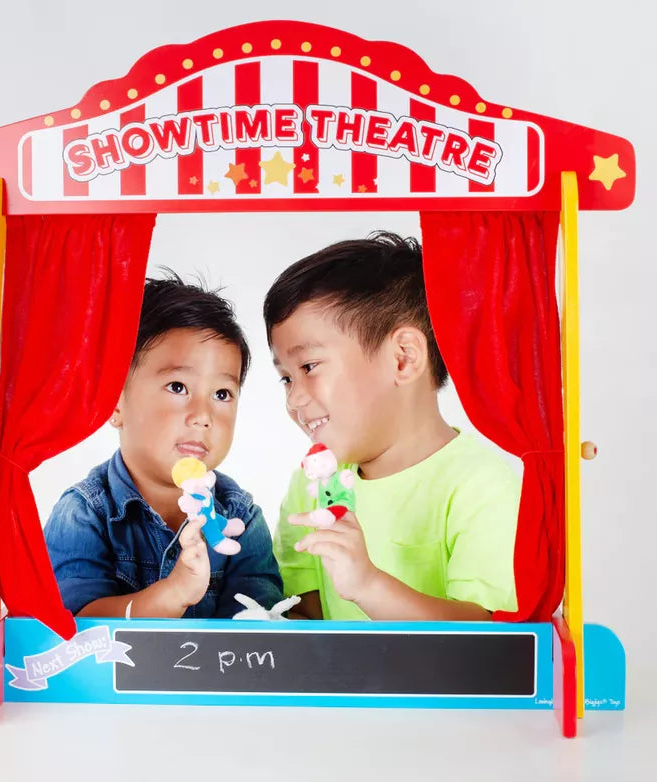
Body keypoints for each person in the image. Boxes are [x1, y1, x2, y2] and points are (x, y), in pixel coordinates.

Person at [264, 232, 521, 621]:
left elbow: (489, 643)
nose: (294, 399)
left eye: (309, 367)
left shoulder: (481, 486)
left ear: (403, 359)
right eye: (286, 378)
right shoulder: (309, 486)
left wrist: (369, 585)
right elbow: (303, 617)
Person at [45, 272, 283, 619]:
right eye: (177, 387)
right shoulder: (84, 512)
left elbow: (260, 632)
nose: (203, 415)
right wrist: (172, 594)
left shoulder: (239, 517)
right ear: (114, 402)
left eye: (222, 394)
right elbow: (71, 630)